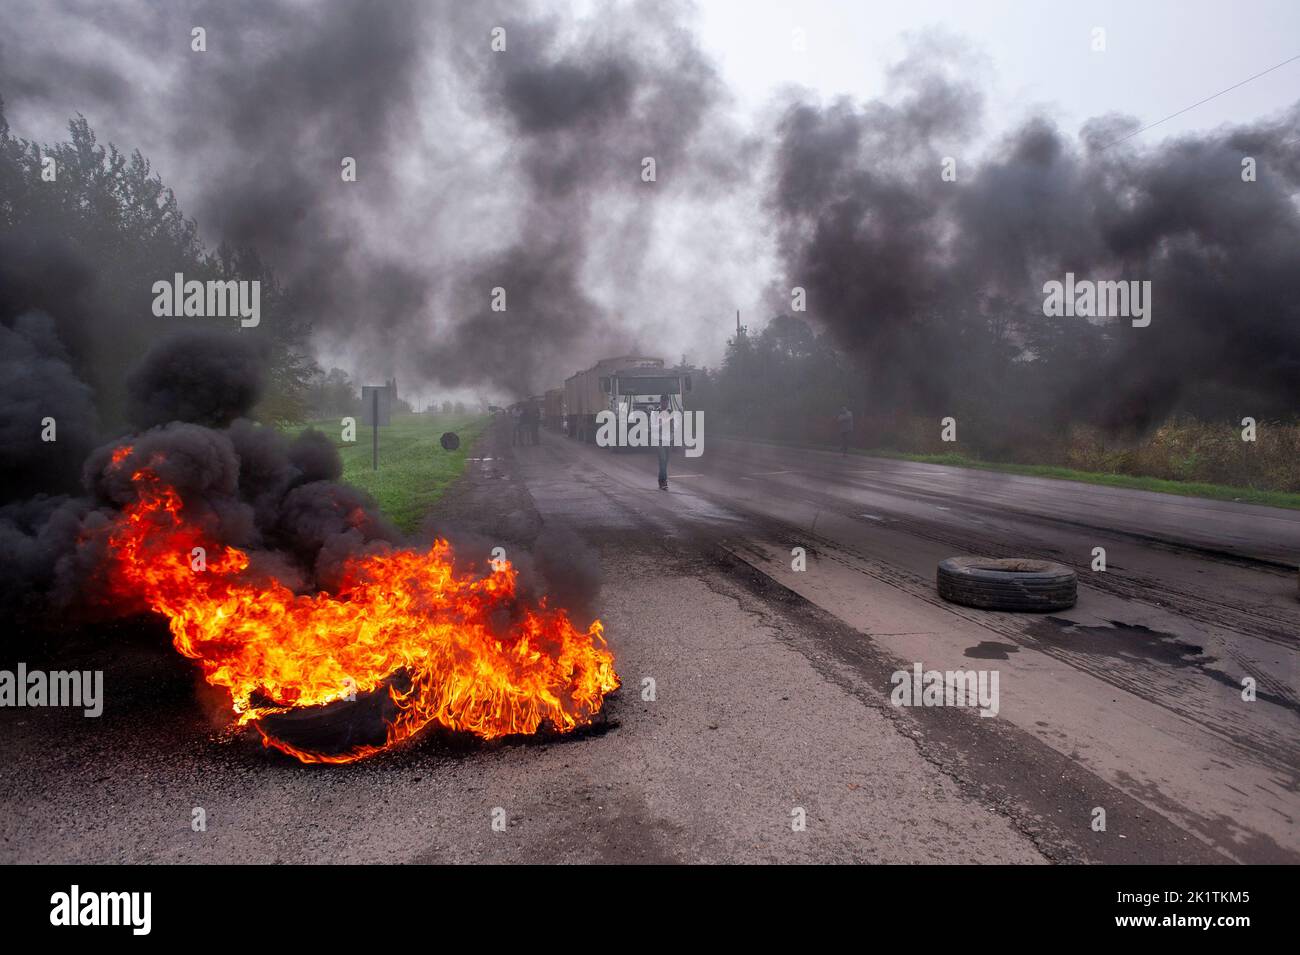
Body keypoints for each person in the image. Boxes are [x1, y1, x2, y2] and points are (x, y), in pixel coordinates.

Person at [656, 394, 672, 490]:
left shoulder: (670, 412)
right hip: (659, 440)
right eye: (664, 402)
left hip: (668, 440)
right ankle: (664, 482)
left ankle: (660, 480)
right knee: (662, 460)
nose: (665, 403)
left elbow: (674, 426)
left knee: (665, 462)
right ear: (661, 402)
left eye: (666, 402)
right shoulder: (656, 412)